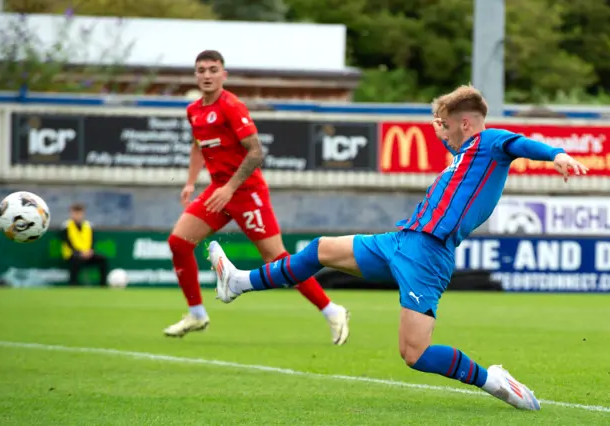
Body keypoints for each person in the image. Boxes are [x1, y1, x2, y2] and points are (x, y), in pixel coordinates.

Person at [208, 85, 589, 410]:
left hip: (427, 255)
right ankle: (238, 283)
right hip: (401, 242)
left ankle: (493, 381)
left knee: (415, 354)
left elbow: (520, 143)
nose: (445, 134)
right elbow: (455, 140)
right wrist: (442, 124)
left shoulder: (490, 142)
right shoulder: (464, 154)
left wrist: (556, 154)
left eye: (449, 126)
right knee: (321, 249)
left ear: (467, 124)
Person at [163, 50, 350, 344]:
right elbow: (198, 146)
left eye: (213, 69)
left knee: (276, 258)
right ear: (195, 75)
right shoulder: (194, 110)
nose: (207, 75)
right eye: (202, 70)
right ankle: (196, 313)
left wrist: (229, 188)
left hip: (247, 192)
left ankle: (332, 310)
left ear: (223, 74)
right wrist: (190, 183)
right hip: (219, 192)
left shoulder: (231, 105)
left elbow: (256, 152)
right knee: (178, 242)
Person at [61, 203, 109, 286]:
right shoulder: (66, 226)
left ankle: (103, 284)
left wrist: (90, 251)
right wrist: (79, 253)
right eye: (75, 213)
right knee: (75, 260)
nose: (77, 215)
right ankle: (73, 284)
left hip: (87, 254)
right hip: (72, 254)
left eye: (79, 213)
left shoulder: (88, 226)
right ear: (71, 213)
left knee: (103, 259)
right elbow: (68, 242)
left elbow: (92, 241)